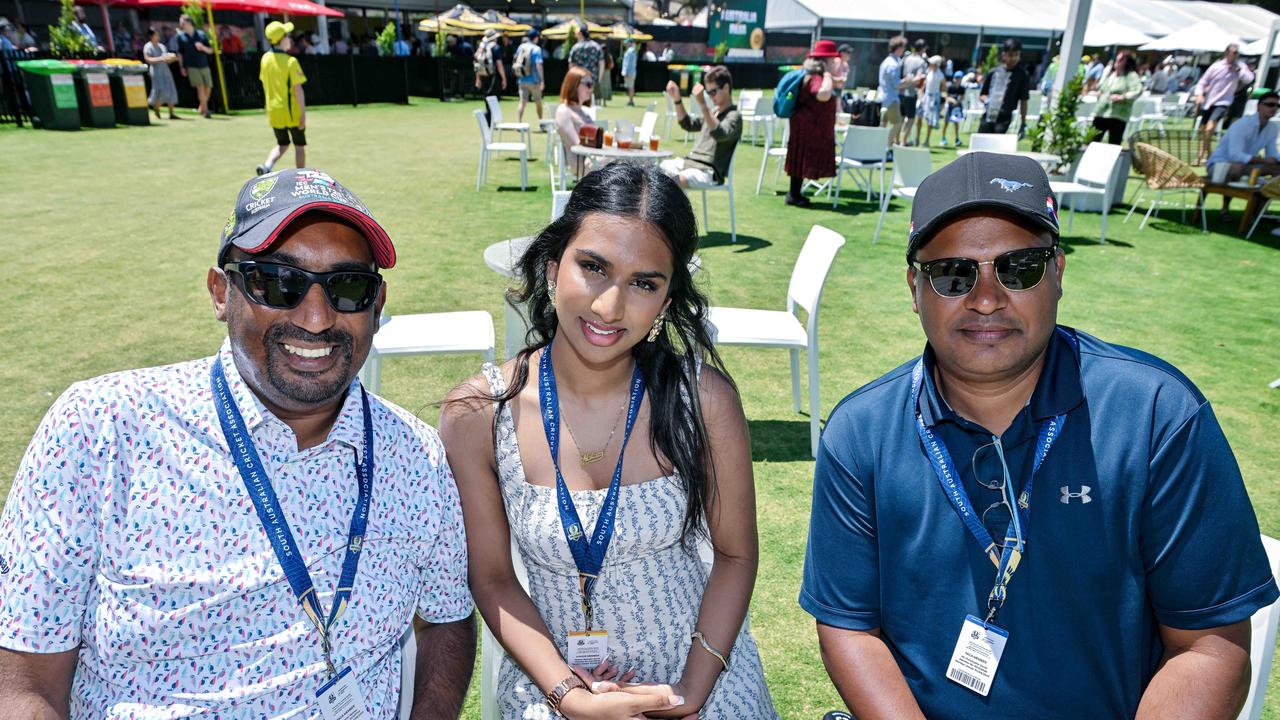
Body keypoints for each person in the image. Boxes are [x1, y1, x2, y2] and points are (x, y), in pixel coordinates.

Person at [800, 151, 1279, 720]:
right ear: (914, 287)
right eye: (953, 273)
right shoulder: (860, 432)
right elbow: (849, 629)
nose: (985, 298)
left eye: (1018, 267)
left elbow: (1207, 644)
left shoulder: (1156, 415)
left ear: (1058, 272)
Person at [0, 168, 476, 716]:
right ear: (221, 293)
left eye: (348, 287)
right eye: (278, 282)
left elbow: (446, 619)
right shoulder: (100, 430)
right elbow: (26, 687)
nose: (317, 318)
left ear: (377, 303)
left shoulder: (415, 454)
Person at [440, 161, 778, 720]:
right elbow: (493, 577)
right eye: (593, 267)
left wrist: (689, 695)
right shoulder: (479, 413)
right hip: (554, 686)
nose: (608, 307)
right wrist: (568, 696)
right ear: (553, 267)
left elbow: (737, 554)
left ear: (667, 301)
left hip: (700, 676)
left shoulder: (704, 399)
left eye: (644, 283)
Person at [661, 65, 742, 188]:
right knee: (658, 172)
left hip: (708, 170)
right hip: (690, 162)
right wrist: (677, 99)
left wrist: (703, 104)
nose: (710, 96)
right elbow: (687, 124)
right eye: (708, 92)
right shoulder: (713, 112)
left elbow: (719, 134)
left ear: (726, 88)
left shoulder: (734, 116)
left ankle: (674, 207)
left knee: (674, 181)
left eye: (713, 92)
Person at [784, 40, 839, 207]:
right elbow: (822, 95)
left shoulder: (812, 75)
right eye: (832, 60)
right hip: (807, 127)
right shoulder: (816, 77)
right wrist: (829, 76)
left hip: (805, 126)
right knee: (801, 159)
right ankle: (794, 195)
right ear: (824, 62)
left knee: (799, 159)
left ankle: (794, 194)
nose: (834, 63)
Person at [1208, 91, 1279, 217]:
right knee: (1237, 166)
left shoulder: (1272, 127)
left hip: (1246, 165)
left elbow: (1272, 153)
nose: (1274, 108)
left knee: (1277, 170)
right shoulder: (1242, 125)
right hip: (1218, 166)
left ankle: (1260, 211)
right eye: (1270, 104)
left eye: (1277, 106)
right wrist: (1262, 161)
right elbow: (1235, 155)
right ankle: (1224, 209)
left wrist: (1275, 160)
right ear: (1259, 106)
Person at [255, 21, 307, 177]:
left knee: (282, 143)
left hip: (274, 111)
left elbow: (264, 83)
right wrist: (303, 114)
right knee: (299, 146)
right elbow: (298, 89)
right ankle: (301, 177)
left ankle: (267, 166)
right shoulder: (291, 61)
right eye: (287, 35)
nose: (290, 38)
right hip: (291, 113)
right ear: (281, 39)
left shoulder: (265, 59)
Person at [1195, 44, 1255, 163]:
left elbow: (1249, 79)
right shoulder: (1216, 66)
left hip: (1224, 102)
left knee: (1210, 127)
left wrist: (1238, 70)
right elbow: (1202, 81)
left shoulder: (1240, 66)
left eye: (1238, 53)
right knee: (1204, 129)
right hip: (1209, 101)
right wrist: (1199, 94)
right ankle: (1209, 153)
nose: (1236, 55)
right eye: (1234, 53)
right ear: (1227, 53)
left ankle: (1200, 156)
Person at [1090, 50, 1142, 145]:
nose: (1117, 62)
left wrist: (1123, 97)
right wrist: (1098, 93)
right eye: (1117, 59)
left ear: (1127, 62)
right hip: (1101, 112)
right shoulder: (1112, 75)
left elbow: (1137, 91)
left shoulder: (1131, 76)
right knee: (1091, 141)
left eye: (1121, 60)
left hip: (1117, 115)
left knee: (1113, 144)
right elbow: (1103, 89)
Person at [979, 38, 1029, 135]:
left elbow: (1024, 100)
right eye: (1011, 55)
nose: (1014, 58)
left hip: (1004, 118)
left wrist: (1023, 122)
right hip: (988, 114)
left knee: (996, 144)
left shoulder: (1021, 75)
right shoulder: (993, 72)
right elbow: (982, 94)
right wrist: (987, 100)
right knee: (981, 143)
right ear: (1004, 55)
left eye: (1017, 55)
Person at [554, 66, 595, 178]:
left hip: (594, 159)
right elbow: (577, 145)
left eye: (592, 84)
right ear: (574, 85)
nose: (591, 88)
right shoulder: (564, 111)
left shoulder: (584, 112)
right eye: (588, 84)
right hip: (582, 164)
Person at [176, 14, 214, 118]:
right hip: (191, 66)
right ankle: (206, 111)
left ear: (188, 22)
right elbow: (180, 53)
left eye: (182, 22)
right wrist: (181, 67)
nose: (180, 24)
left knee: (208, 88)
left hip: (204, 64)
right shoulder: (180, 37)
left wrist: (203, 48)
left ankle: (202, 107)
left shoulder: (201, 34)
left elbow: (210, 50)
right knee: (200, 88)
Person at [879, 35, 909, 154]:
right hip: (891, 98)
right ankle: (886, 147)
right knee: (897, 123)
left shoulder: (886, 61)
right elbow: (897, 85)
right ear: (899, 48)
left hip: (883, 97)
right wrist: (909, 82)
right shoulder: (893, 64)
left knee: (883, 124)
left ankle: (879, 147)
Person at [143, 27, 180, 120]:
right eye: (156, 34)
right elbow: (148, 59)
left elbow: (166, 59)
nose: (158, 36)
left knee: (171, 89)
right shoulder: (148, 46)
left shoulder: (162, 46)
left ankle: (171, 112)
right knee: (161, 90)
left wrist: (173, 58)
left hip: (165, 70)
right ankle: (156, 108)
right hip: (156, 71)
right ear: (151, 36)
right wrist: (160, 59)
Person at [475, 29, 509, 128]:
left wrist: (477, 78)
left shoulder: (481, 47)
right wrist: (504, 78)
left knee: (487, 98)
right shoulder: (496, 48)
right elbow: (499, 65)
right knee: (494, 99)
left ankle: (488, 120)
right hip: (494, 76)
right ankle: (490, 120)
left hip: (483, 75)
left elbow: (476, 64)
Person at [899, 39, 928, 145]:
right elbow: (920, 78)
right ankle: (904, 141)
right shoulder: (921, 61)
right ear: (923, 49)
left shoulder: (906, 58)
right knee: (910, 119)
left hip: (901, 91)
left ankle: (897, 140)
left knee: (901, 118)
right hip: (911, 92)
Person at [568, 24, 604, 106]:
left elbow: (571, 64)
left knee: (579, 99)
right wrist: (599, 78)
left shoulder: (575, 47)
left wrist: (571, 79)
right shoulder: (596, 46)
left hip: (578, 78)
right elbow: (601, 63)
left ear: (580, 33)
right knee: (590, 98)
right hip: (592, 78)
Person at [515, 29, 545, 125]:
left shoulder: (521, 47)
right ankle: (541, 122)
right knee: (538, 102)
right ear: (535, 38)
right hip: (534, 80)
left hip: (522, 79)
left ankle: (519, 123)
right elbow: (538, 65)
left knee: (522, 102)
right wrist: (542, 80)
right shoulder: (537, 49)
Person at [918, 55, 944, 147]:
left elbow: (943, 87)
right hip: (926, 96)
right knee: (919, 116)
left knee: (930, 120)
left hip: (933, 98)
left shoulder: (940, 75)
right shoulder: (929, 71)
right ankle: (917, 139)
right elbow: (924, 84)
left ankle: (927, 141)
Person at [940, 70, 965, 148]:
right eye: (957, 78)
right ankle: (943, 138)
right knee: (946, 123)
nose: (958, 79)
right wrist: (952, 100)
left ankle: (957, 139)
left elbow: (962, 97)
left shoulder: (962, 88)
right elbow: (946, 96)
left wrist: (958, 102)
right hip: (949, 107)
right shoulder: (950, 87)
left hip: (956, 108)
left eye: (960, 78)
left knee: (956, 123)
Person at [621, 37, 638, 106]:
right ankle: (630, 100)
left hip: (629, 72)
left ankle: (631, 101)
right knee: (631, 86)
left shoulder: (630, 51)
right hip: (632, 72)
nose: (626, 44)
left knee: (630, 87)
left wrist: (625, 73)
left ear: (630, 43)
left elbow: (627, 63)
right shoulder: (632, 51)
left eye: (627, 43)